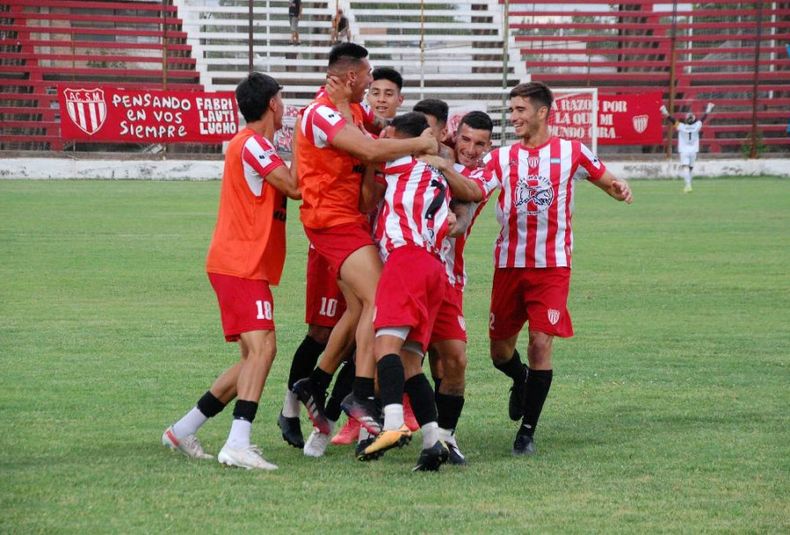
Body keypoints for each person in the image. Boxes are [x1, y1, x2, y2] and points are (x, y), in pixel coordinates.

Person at [291, 43, 437, 457]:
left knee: (359, 310)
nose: (374, 84)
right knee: (379, 302)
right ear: (353, 77)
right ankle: (358, 395)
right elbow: (373, 149)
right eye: (369, 77)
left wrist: (417, 132)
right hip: (331, 222)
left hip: (348, 221)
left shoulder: (352, 111)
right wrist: (420, 145)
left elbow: (382, 126)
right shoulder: (321, 113)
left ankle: (315, 386)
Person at [483, 81, 632, 456]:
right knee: (500, 352)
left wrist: (619, 187)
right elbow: (475, 189)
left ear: (542, 112)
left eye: (520, 110)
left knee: (540, 342)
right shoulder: (502, 158)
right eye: (511, 110)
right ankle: (520, 379)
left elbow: (608, 181)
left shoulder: (572, 152)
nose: (513, 117)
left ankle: (527, 433)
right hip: (509, 265)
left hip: (552, 267)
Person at [162, 72, 300, 470]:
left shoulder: (254, 144)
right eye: (282, 99)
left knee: (250, 362)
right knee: (264, 349)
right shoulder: (253, 144)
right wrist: (310, 147)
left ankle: (183, 429)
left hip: (240, 264)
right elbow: (293, 186)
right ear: (273, 104)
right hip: (240, 264)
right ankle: (238, 441)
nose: (285, 106)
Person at [357, 112, 456, 471]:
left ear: (405, 138)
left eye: (391, 132)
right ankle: (434, 442)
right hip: (433, 269)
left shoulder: (403, 160)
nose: (385, 135)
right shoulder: (436, 175)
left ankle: (394, 421)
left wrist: (393, 141)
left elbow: (370, 150)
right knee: (412, 362)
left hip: (407, 260)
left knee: (384, 345)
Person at [329, 66, 412, 447]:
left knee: (397, 336)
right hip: (364, 243)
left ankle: (388, 411)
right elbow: (365, 201)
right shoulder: (365, 137)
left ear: (400, 99)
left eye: (388, 92)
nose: (380, 98)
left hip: (406, 253)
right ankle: (358, 415)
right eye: (374, 91)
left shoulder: (411, 139)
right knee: (366, 322)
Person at [416, 111, 498, 465]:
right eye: (465, 140)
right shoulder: (431, 152)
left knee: (455, 359)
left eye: (480, 143)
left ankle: (446, 437)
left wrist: (442, 165)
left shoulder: (484, 172)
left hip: (449, 276)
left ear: (489, 145)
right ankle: (370, 425)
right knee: (400, 359)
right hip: (410, 269)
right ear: (454, 135)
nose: (472, 148)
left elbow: (465, 212)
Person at [661, 102, 715, 193]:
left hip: (684, 150)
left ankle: (688, 185)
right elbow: (703, 118)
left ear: (686, 120)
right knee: (690, 168)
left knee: (685, 167)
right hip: (694, 150)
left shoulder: (681, 126)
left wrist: (664, 111)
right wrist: (708, 109)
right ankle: (689, 185)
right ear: (694, 120)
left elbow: (672, 119)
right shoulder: (697, 126)